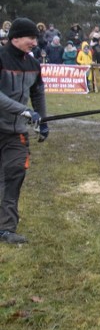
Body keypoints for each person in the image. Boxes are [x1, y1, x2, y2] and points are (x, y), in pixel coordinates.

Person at [0, 19, 48, 244]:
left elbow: (38, 93)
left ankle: (6, 228)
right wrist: (24, 111)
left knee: (14, 173)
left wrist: (43, 121)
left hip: (15, 131)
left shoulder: (33, 64)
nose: (34, 42)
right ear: (16, 37)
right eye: (31, 37)